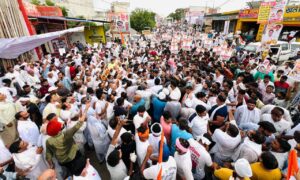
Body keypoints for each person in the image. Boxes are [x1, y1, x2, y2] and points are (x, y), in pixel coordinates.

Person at [45, 104, 88, 177]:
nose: (61, 125)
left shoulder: (49, 141)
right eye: (59, 125)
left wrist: (51, 165)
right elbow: (79, 123)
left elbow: (48, 155)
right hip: (74, 156)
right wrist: (86, 109)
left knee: (71, 170)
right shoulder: (65, 135)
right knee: (81, 170)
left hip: (63, 161)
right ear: (57, 130)